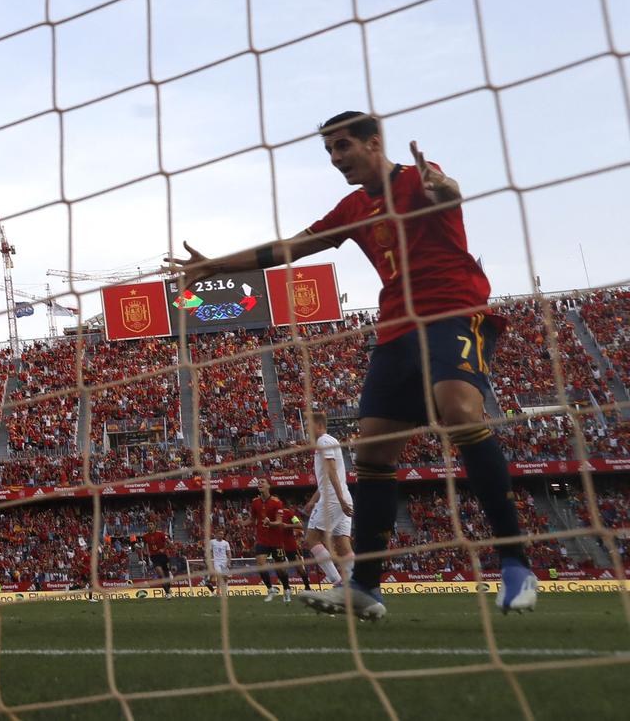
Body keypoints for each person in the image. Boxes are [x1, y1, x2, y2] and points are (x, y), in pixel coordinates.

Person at [167, 111, 536, 621]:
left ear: (374, 142)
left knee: (459, 409)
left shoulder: (418, 181)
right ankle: (365, 587)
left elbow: (446, 195)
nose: (337, 159)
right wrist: (215, 265)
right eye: (329, 152)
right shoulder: (353, 207)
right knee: (374, 450)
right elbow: (290, 247)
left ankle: (516, 563)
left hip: (453, 311)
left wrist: (446, 188)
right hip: (396, 330)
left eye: (343, 147)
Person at [299, 412, 353, 590]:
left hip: (334, 499)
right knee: (342, 543)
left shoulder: (324, 441)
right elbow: (327, 478)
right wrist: (313, 500)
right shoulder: (329, 441)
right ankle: (356, 585)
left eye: (308, 425)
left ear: (319, 426)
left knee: (312, 539)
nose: (306, 429)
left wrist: (339, 500)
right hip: (340, 496)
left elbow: (331, 471)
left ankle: (337, 582)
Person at [249, 480, 294, 602]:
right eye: (259, 482)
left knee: (280, 569)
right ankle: (270, 589)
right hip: (262, 539)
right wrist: (242, 522)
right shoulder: (255, 502)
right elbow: (252, 520)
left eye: (263, 482)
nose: (260, 483)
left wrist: (270, 523)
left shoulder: (277, 502)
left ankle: (287, 588)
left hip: (276, 540)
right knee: (260, 564)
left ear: (269, 486)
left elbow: (279, 522)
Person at [142, 526, 174, 597]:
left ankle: (168, 589)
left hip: (164, 556)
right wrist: (145, 551)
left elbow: (171, 544)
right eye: (148, 524)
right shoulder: (145, 536)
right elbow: (145, 545)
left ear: (154, 526)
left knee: (166, 576)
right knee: (161, 574)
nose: (149, 526)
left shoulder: (161, 534)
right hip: (154, 557)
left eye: (151, 524)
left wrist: (163, 549)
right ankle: (167, 593)